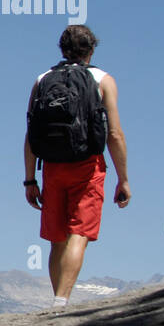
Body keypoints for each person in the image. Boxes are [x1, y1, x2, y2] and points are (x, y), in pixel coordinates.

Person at [23, 25, 130, 309]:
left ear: (62, 49)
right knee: (79, 233)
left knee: (57, 238)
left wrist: (29, 179)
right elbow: (115, 134)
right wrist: (123, 179)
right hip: (88, 165)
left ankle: (58, 298)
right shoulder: (103, 80)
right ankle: (61, 301)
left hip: (53, 167)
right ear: (91, 50)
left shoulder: (43, 79)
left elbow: (31, 134)